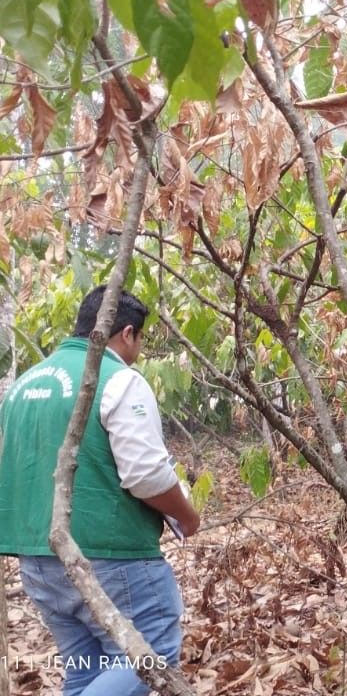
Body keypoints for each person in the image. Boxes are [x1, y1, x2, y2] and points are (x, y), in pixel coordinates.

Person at [0, 286, 200, 695]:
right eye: (139, 340)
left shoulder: (22, 386)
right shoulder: (118, 380)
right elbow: (146, 475)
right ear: (127, 333)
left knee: (85, 671)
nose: (138, 351)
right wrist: (187, 515)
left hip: (38, 561)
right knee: (151, 654)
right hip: (109, 558)